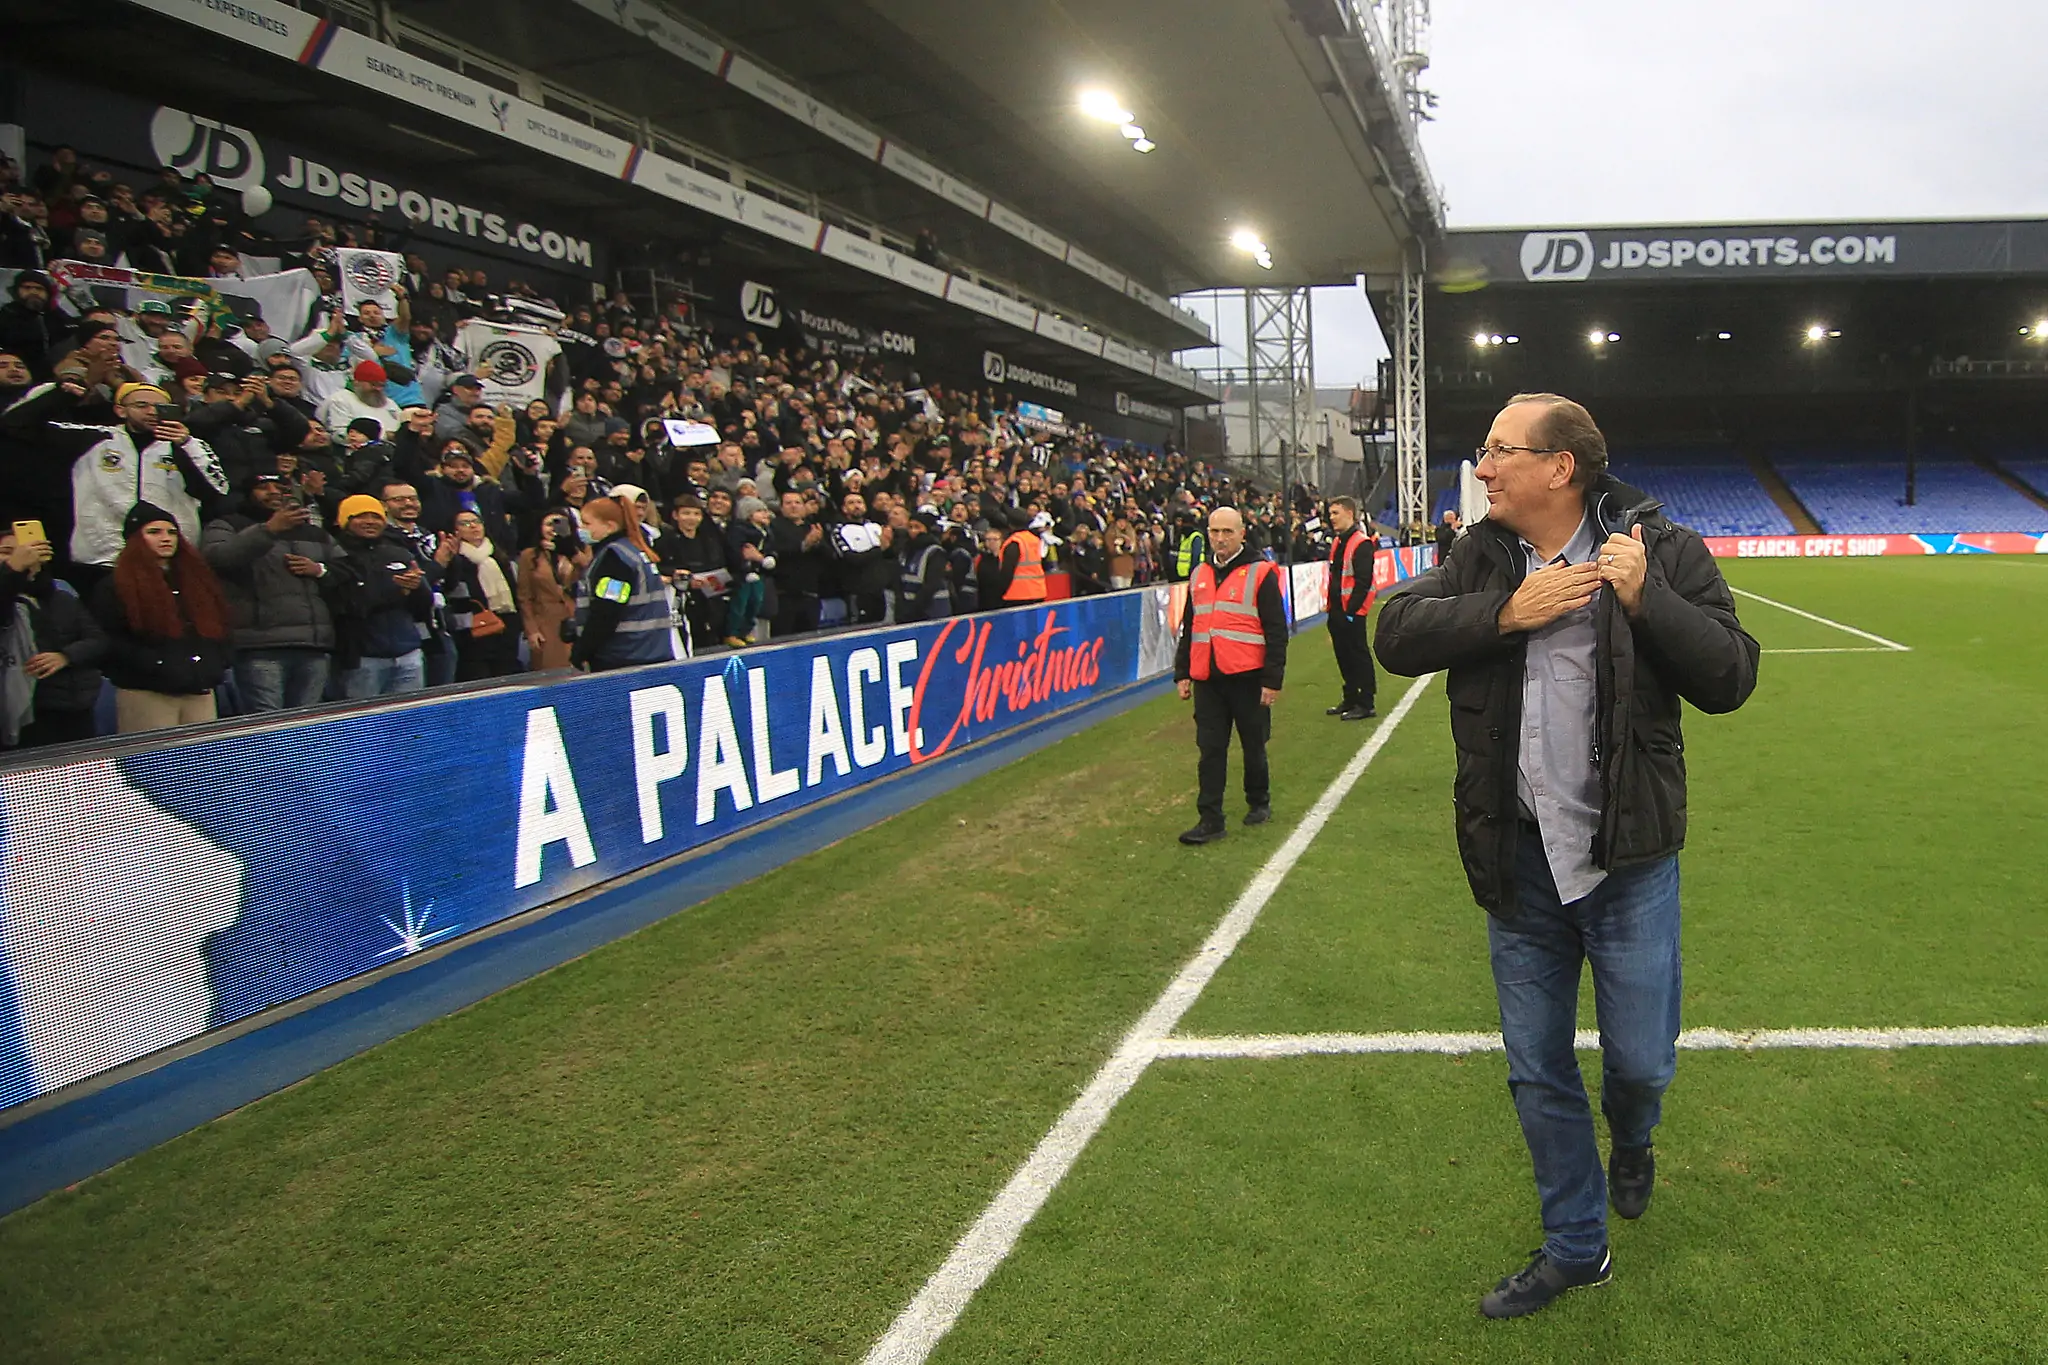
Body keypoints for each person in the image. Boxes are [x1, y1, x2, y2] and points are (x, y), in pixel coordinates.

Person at [1373, 392, 1759, 1320]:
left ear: (1561, 467)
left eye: (1500, 450)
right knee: (1537, 1065)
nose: (1483, 465)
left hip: (1627, 864)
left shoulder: (1661, 550)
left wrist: (1645, 599)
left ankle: (1634, 1135)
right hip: (1520, 863)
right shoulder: (1479, 554)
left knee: (1639, 1064)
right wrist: (1504, 613)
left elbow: (1733, 675)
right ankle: (1577, 1247)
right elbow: (1394, 632)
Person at [1173, 506, 1287, 844]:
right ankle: (1210, 818)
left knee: (1253, 745)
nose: (1220, 539)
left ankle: (1258, 801)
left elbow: (1276, 630)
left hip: (1248, 677)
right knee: (1209, 749)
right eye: (1214, 532)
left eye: (1227, 532)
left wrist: (1272, 680)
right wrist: (1183, 672)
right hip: (1208, 676)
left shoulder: (1261, 573)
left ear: (1241, 533)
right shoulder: (1200, 573)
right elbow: (1189, 626)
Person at [67, 383, 231, 590]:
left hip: (169, 559)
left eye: (160, 406)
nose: (152, 411)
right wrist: (60, 391)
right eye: (141, 405)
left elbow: (217, 493)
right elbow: (21, 425)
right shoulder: (94, 438)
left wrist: (185, 446)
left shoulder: (191, 445)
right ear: (120, 410)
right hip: (103, 558)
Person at [92, 502, 234, 733]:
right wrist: (158, 664)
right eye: (154, 532)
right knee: (154, 765)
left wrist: (216, 662)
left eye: (171, 532)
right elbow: (109, 639)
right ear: (136, 538)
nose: (166, 538)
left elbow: (222, 627)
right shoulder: (116, 586)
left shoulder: (198, 582)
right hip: (147, 692)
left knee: (200, 763)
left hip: (199, 689)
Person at [201, 474, 338, 711]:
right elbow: (217, 559)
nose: (274, 492)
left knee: (307, 727)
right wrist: (269, 530)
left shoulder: (314, 532)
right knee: (267, 730)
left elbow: (345, 572)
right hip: (260, 648)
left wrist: (319, 570)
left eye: (280, 486)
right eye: (264, 487)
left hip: (313, 645)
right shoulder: (227, 524)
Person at [0, 522, 105, 747]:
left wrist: (65, 656)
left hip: (75, 706)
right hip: (28, 712)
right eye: (7, 552)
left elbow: (98, 640)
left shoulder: (63, 597)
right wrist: (12, 571)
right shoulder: (9, 600)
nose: (23, 557)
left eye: (30, 550)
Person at [323, 494, 433, 698]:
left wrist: (416, 588)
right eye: (360, 516)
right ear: (345, 520)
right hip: (363, 658)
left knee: (408, 722)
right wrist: (398, 591)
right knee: (364, 725)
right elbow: (350, 604)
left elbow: (425, 604)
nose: (370, 522)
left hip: (408, 652)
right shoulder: (335, 555)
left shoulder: (398, 553)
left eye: (376, 517)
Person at [570, 496, 680, 671]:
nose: (581, 529)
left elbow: (608, 609)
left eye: (586, 524)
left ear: (609, 527)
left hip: (625, 656)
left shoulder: (616, 559)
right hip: (652, 650)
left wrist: (582, 651)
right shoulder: (634, 551)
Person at [440, 509, 522, 681]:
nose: (473, 527)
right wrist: (452, 560)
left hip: (504, 627)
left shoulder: (498, 556)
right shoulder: (455, 559)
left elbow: (515, 593)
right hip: (471, 632)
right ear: (455, 531)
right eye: (465, 523)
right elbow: (449, 587)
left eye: (476, 521)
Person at [1323, 496, 1378, 721]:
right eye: (1331, 513)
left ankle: (1366, 702)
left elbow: (1363, 582)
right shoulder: (1338, 541)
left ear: (1349, 513)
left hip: (1352, 612)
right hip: (1336, 609)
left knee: (1358, 655)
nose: (1331, 518)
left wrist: (1352, 612)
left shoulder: (1361, 543)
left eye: (1335, 513)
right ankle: (1351, 697)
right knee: (1343, 656)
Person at [893, 512, 952, 623]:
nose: (913, 531)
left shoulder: (935, 551)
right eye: (910, 527)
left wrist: (913, 611)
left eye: (917, 527)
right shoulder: (905, 551)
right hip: (909, 609)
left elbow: (931, 584)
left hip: (933, 610)